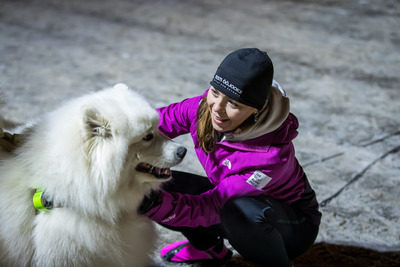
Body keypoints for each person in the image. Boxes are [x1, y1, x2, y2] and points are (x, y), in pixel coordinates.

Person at [139, 48, 322, 266]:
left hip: (290, 227)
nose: (217, 108)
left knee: (239, 211)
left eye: (233, 103)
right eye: (215, 92)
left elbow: (213, 207)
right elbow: (154, 126)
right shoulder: (202, 109)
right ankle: (209, 249)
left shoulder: (271, 157)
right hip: (231, 200)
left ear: (256, 109)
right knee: (155, 183)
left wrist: (152, 205)